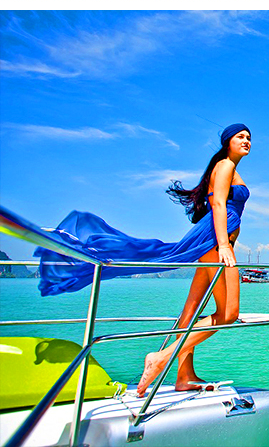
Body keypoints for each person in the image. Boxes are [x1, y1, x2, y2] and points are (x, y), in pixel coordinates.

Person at [35, 123, 253, 396]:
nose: (246, 141)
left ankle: (184, 376)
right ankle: (161, 358)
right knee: (227, 314)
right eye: (240, 137)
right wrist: (224, 245)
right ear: (227, 142)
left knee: (190, 311)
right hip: (216, 244)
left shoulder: (229, 168)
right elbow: (218, 204)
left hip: (212, 242)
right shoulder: (224, 166)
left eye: (249, 137)